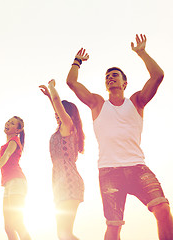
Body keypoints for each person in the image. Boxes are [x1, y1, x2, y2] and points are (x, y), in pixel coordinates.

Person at [66, 34, 173, 240]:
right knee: (113, 226)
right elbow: (71, 82)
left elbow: (158, 75)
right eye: (107, 76)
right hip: (109, 172)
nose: (110, 78)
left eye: (115, 75)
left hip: (137, 167)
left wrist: (142, 53)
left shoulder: (136, 102)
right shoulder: (97, 104)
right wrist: (77, 61)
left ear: (125, 82)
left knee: (162, 209)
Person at [39, 79, 85, 240]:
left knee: (65, 233)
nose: (56, 115)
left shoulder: (68, 126)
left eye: (60, 112)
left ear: (67, 115)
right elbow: (57, 106)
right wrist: (49, 98)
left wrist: (52, 89)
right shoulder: (61, 130)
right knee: (62, 234)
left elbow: (59, 104)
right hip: (59, 183)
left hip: (69, 182)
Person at [0, 116, 31, 240]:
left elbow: (7, 155)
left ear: (18, 130)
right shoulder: (9, 142)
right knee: (8, 227)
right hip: (9, 184)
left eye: (12, 123)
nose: (8, 124)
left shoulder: (14, 141)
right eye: (8, 121)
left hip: (17, 182)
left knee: (17, 222)